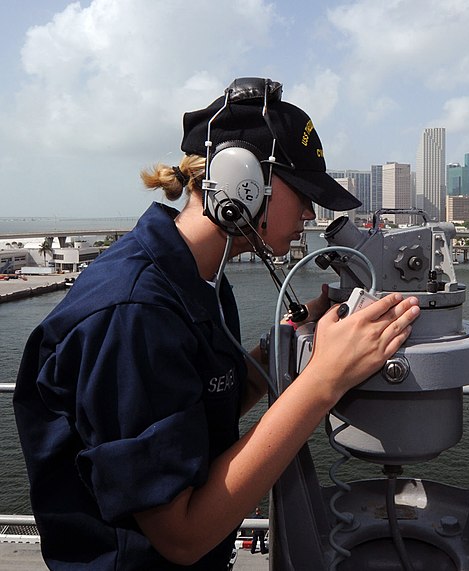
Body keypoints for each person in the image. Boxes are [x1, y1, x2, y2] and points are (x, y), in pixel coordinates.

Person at [13, 77, 420, 570]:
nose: (311, 213)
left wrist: (283, 347)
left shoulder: (197, 277)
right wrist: (323, 381)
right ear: (242, 184)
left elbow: (203, 399)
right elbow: (181, 537)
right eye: (303, 194)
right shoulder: (134, 313)